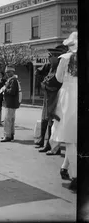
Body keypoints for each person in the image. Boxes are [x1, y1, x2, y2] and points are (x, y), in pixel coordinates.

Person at [50, 32, 78, 191]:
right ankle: (65, 167)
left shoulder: (65, 59)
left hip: (69, 96)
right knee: (74, 136)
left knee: (69, 138)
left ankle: (75, 175)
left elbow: (59, 78)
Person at [35, 44, 68, 155]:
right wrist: (44, 84)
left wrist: (46, 85)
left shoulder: (60, 68)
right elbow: (46, 80)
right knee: (48, 121)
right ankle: (48, 144)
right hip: (48, 97)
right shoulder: (51, 67)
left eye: (51, 56)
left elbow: (56, 84)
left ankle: (54, 147)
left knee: (53, 122)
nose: (49, 58)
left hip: (56, 98)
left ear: (56, 57)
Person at [0, 66, 19, 142]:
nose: (7, 74)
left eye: (8, 72)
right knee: (11, 120)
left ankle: (7, 136)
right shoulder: (12, 80)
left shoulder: (13, 81)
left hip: (10, 103)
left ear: (12, 72)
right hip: (11, 103)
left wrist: (5, 89)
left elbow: (12, 92)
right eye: (6, 72)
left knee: (7, 120)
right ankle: (11, 134)